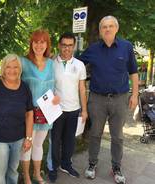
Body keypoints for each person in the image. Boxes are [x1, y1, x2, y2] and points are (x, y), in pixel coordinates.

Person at [79, 15, 138, 184]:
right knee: (95, 134)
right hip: (97, 99)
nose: (107, 29)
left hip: (120, 99)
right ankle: (92, 164)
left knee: (117, 136)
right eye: (104, 27)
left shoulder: (126, 47)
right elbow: (76, 65)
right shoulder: (93, 49)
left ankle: (116, 167)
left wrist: (134, 94)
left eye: (111, 26)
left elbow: (133, 72)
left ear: (116, 28)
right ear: (100, 31)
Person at [0, 54, 34, 184]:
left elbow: (29, 113)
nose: (12, 70)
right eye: (8, 67)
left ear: (20, 69)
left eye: (16, 67)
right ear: (3, 68)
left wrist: (28, 137)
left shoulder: (24, 87)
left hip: (18, 139)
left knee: (12, 172)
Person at [47, 32, 88, 182]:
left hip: (74, 109)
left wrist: (84, 110)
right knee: (54, 141)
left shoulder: (79, 65)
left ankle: (66, 164)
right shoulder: (51, 63)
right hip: (56, 110)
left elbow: (82, 89)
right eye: (64, 45)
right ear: (59, 45)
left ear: (74, 46)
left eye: (70, 45)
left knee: (69, 140)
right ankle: (52, 167)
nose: (67, 48)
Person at [20, 29, 58, 184]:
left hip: (46, 112)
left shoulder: (51, 63)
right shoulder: (23, 62)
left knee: (38, 145)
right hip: (28, 113)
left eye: (43, 42)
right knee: (26, 145)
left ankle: (36, 174)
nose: (39, 45)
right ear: (31, 44)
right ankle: (26, 176)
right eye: (36, 41)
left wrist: (56, 99)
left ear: (47, 44)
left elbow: (54, 87)